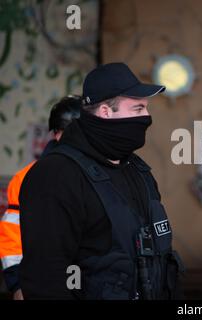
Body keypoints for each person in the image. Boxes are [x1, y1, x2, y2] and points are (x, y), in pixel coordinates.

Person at [19, 62, 183, 300]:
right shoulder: (56, 175)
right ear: (106, 111)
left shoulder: (137, 169)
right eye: (138, 109)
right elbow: (45, 279)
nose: (147, 118)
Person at [0, 96, 81, 300]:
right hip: (44, 286)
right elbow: (12, 237)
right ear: (56, 134)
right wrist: (17, 285)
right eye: (70, 131)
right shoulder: (24, 179)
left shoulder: (108, 171)